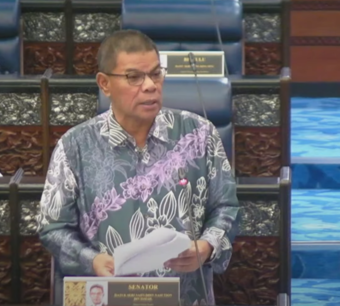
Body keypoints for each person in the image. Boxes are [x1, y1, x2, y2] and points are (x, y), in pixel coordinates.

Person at [37, 29, 240, 306]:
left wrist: (207, 247)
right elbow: (53, 228)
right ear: (104, 83)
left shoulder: (199, 135)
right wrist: (92, 260)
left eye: (156, 74)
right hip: (108, 296)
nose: (150, 85)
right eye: (134, 77)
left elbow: (225, 208)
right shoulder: (75, 146)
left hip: (184, 296)